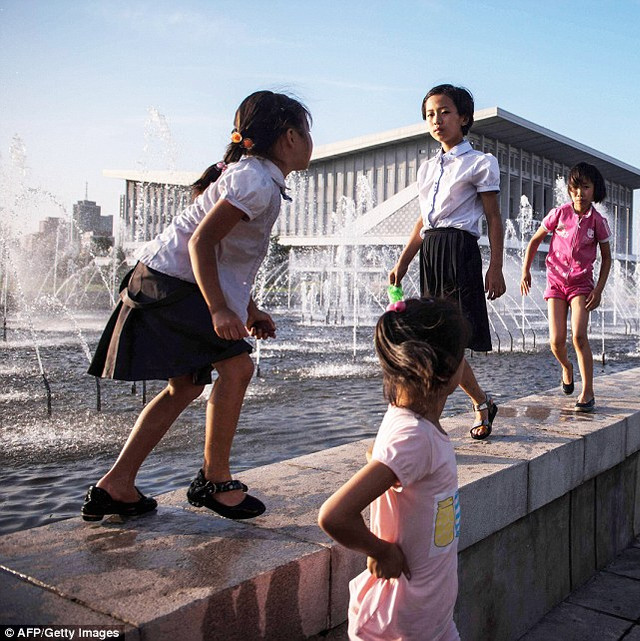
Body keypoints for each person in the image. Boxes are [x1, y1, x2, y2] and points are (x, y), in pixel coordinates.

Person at [82, 91, 313, 521]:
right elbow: (200, 242)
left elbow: (223, 256)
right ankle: (214, 479)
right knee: (237, 367)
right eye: (307, 132)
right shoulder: (256, 182)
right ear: (288, 138)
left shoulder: (255, 177)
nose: (309, 141)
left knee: (186, 385)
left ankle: (117, 484)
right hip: (172, 284)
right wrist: (220, 311)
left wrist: (248, 308)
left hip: (164, 279)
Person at [319, 297, 467, 641]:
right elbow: (334, 515)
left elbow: (384, 456)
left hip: (431, 616)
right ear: (446, 368)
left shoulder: (408, 423)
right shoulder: (416, 436)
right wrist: (381, 550)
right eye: (464, 355)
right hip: (400, 626)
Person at [389, 84, 506, 440]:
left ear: (464, 118)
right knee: (437, 342)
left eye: (444, 112)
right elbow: (423, 222)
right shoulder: (426, 169)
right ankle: (482, 402)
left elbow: (493, 217)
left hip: (459, 252)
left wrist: (496, 266)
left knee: (448, 343)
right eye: (429, 114)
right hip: (431, 252)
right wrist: (404, 261)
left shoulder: (480, 163)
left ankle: (429, 423)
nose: (436, 120)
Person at [520, 162, 612, 412]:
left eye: (586, 187)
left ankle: (587, 391)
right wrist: (525, 270)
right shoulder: (560, 213)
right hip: (557, 283)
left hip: (582, 285)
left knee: (579, 336)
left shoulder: (598, 222)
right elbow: (535, 240)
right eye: (575, 187)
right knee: (556, 341)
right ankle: (567, 367)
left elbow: (607, 258)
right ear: (569, 190)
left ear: (595, 190)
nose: (580, 192)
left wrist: (599, 289)